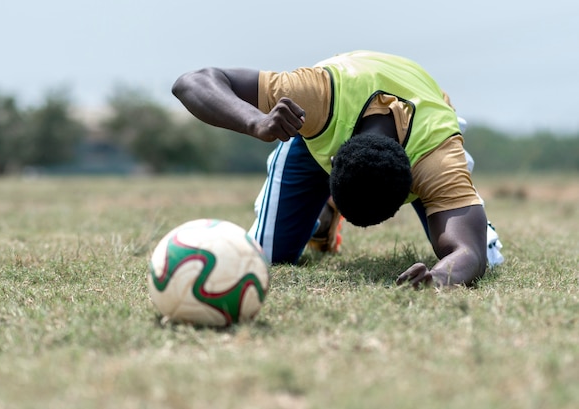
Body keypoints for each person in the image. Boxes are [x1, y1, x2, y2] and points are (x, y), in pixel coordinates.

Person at [172, 50, 503, 288]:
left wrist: (440, 279)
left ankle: (326, 209)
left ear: (413, 184)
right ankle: (323, 212)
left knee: (490, 253)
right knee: (267, 256)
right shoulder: (315, 94)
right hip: (325, 120)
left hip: (427, 123)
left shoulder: (438, 159)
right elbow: (191, 82)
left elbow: (470, 253)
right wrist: (256, 121)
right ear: (332, 167)